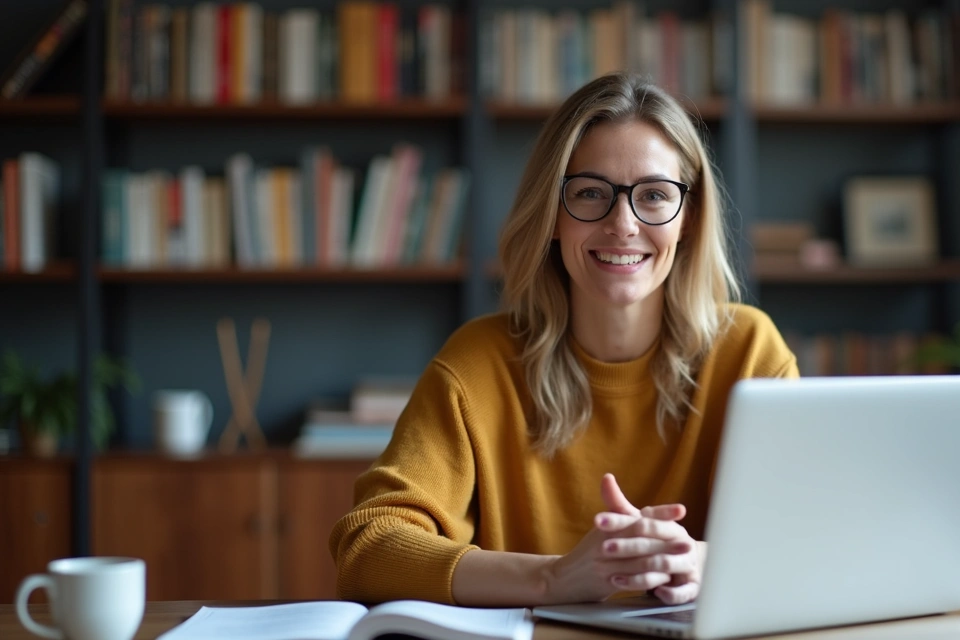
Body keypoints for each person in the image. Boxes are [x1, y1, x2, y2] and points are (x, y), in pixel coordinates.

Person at [329, 73, 798, 608]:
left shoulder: (750, 351)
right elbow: (368, 550)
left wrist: (703, 563)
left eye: (654, 196)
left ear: (688, 218)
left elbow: (811, 536)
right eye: (591, 193)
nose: (623, 224)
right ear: (552, 213)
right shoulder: (478, 363)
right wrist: (554, 578)